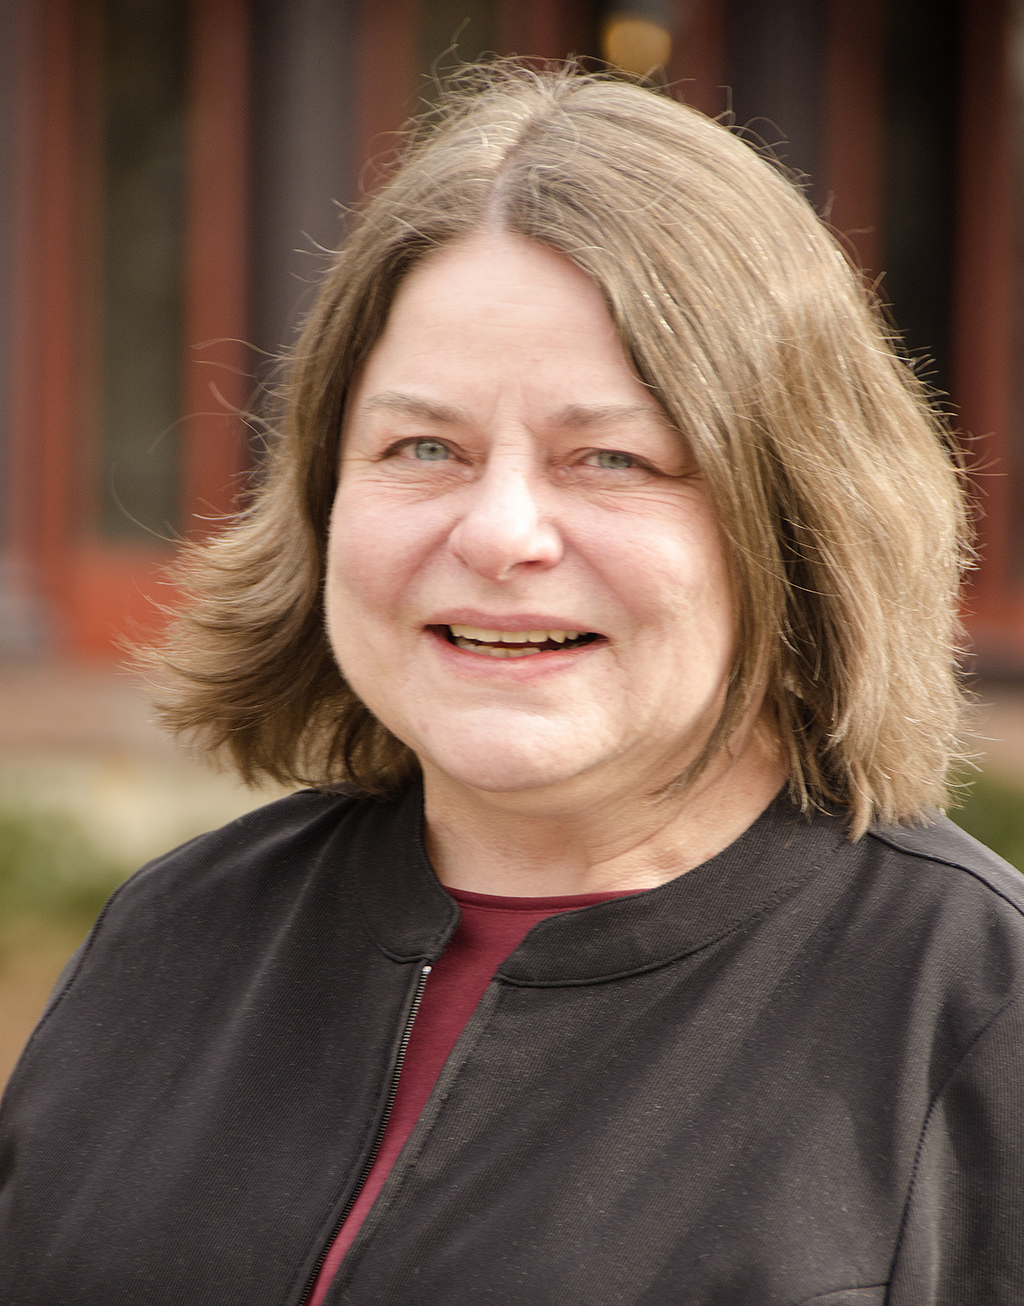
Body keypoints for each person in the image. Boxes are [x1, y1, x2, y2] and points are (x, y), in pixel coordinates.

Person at [2, 63, 1022, 1306]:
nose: (498, 533)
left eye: (610, 457)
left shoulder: (976, 1009)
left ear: (793, 513)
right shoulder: (177, 933)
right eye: (423, 446)